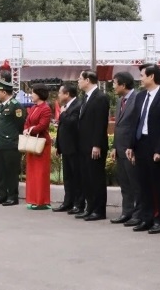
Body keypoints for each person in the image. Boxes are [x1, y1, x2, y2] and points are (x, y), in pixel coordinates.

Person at [126, 64, 160, 234]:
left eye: (142, 75)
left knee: (157, 185)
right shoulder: (140, 97)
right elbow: (135, 122)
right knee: (143, 184)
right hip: (140, 143)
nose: (140, 78)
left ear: (152, 76)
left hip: (155, 147)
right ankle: (146, 218)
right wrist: (131, 145)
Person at [76, 70, 111, 221]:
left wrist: (96, 144)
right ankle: (89, 207)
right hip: (84, 145)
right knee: (86, 178)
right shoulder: (86, 97)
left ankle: (99, 210)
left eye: (80, 78)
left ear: (88, 80)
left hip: (94, 146)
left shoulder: (100, 97)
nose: (78, 81)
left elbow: (100, 123)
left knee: (96, 178)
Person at [110, 71, 141, 225]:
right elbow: (118, 126)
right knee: (124, 183)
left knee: (135, 183)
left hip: (131, 149)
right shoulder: (119, 101)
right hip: (120, 148)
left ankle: (137, 214)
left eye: (115, 83)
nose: (113, 86)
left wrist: (133, 147)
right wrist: (115, 146)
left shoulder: (138, 99)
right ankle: (126, 212)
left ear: (123, 84)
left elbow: (136, 126)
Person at [0, 79, 25, 206]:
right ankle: (2, 194)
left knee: (11, 172)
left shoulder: (15, 105)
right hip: (1, 143)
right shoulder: (3, 106)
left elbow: (20, 124)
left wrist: (13, 139)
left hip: (11, 144)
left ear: (4, 92)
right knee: (1, 171)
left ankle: (12, 196)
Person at [53, 84, 83, 214]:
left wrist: (63, 113)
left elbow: (72, 122)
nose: (58, 96)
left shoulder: (77, 105)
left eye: (60, 93)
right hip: (65, 147)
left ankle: (78, 203)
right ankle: (68, 202)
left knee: (76, 177)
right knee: (68, 177)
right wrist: (58, 145)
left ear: (67, 94)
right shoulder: (67, 106)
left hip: (74, 147)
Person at [23, 83, 52, 210]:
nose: (31, 95)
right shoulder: (34, 107)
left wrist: (30, 129)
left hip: (41, 143)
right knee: (32, 172)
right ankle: (32, 199)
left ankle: (42, 200)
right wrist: (26, 129)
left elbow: (43, 125)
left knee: (40, 173)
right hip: (32, 142)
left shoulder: (45, 108)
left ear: (39, 94)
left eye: (33, 92)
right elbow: (27, 122)